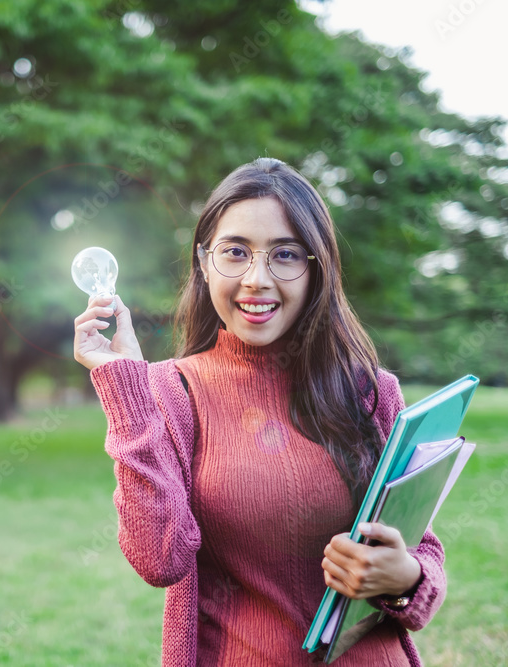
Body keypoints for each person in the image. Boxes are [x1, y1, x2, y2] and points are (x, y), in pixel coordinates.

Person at [73, 158, 445, 666]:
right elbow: (161, 559)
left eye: (285, 254)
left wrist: (406, 577)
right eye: (235, 252)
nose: (257, 279)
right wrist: (124, 389)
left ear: (318, 268)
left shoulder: (372, 392)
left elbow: (420, 547)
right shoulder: (170, 392)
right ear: (204, 264)